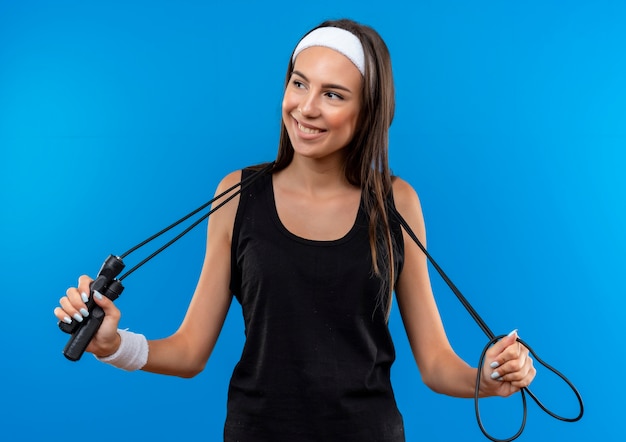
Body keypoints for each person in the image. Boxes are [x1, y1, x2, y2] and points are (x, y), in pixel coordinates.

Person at [54, 18, 535, 442]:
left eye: (333, 94)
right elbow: (189, 352)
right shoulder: (237, 194)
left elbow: (435, 364)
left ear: (367, 111)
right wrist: (113, 346)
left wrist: (488, 378)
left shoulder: (397, 201)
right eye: (299, 84)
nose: (306, 108)